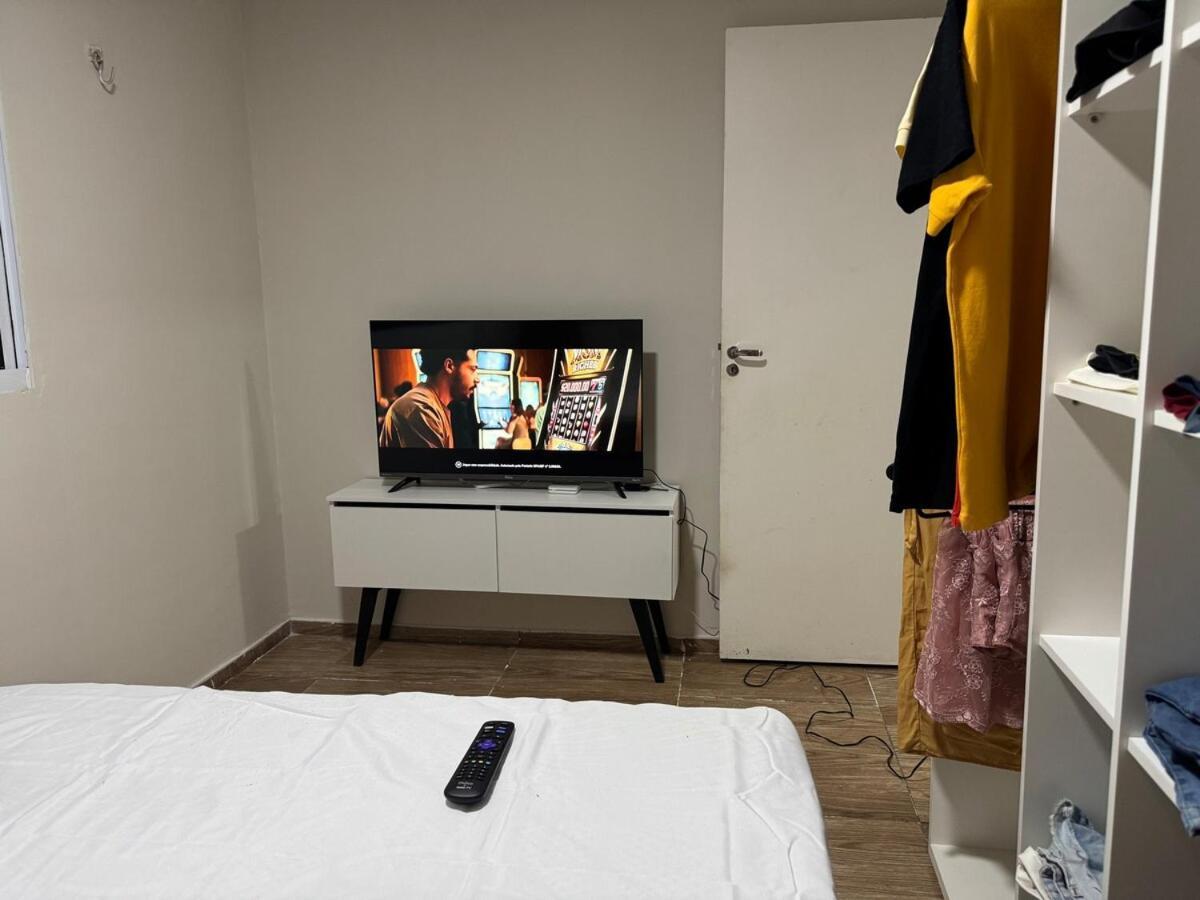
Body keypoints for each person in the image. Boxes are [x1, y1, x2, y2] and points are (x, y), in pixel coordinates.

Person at [379, 349, 478, 448]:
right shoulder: (420, 409)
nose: (477, 379)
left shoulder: (433, 405)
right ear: (449, 366)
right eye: (473, 369)